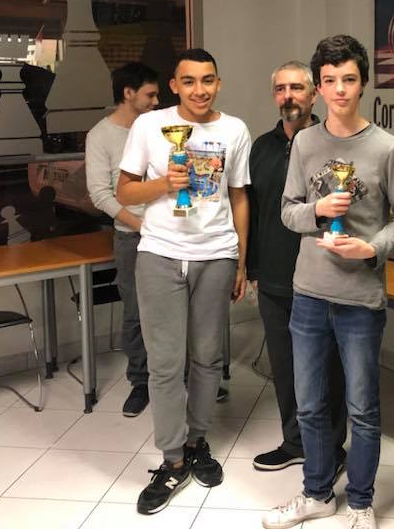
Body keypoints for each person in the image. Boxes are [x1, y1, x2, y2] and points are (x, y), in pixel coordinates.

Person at [263, 35, 394, 529]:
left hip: (360, 298)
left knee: (362, 409)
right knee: (310, 406)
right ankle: (317, 494)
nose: (340, 89)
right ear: (318, 88)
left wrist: (371, 249)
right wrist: (319, 211)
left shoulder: (388, 148)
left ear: (363, 83)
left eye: (349, 79)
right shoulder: (304, 143)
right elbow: (288, 212)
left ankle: (362, 502)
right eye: (330, 80)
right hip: (308, 294)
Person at [117, 48, 251, 515]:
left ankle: (197, 442)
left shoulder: (234, 130)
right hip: (160, 254)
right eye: (189, 81)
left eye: (208, 80)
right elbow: (123, 190)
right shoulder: (149, 125)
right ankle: (172, 458)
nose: (200, 89)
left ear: (219, 83)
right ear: (174, 85)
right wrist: (163, 185)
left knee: (208, 357)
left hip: (216, 255)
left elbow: (238, 196)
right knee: (165, 364)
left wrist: (241, 261)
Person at [247, 61, 349, 473]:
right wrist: (253, 270)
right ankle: (295, 442)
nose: (288, 96)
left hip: (323, 277)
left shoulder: (333, 144)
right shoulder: (261, 147)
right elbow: (254, 212)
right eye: (280, 89)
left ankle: (333, 449)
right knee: (285, 368)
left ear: (313, 94)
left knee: (328, 369)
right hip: (274, 278)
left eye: (296, 87)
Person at [85, 62, 159, 417]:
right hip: (132, 237)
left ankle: (187, 377)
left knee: (178, 308)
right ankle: (141, 382)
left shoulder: (159, 128)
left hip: (170, 235)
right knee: (135, 311)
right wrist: (141, 225)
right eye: (150, 94)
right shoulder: (101, 136)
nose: (157, 101)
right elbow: (101, 194)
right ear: (128, 93)